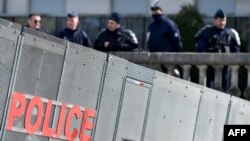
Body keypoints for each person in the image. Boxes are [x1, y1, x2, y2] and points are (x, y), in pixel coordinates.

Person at [195, 9, 241, 92]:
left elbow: (236, 51)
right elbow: (201, 49)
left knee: (224, 90)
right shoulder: (207, 32)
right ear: (215, 20)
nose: (222, 23)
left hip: (225, 67)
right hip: (210, 66)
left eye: (224, 20)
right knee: (209, 89)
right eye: (220, 20)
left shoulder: (229, 33)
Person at [147, 0, 182, 76]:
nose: (154, 12)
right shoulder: (151, 26)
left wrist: (175, 60)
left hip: (168, 61)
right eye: (152, 10)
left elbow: (177, 44)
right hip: (155, 61)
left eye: (156, 9)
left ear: (162, 10)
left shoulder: (169, 25)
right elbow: (149, 41)